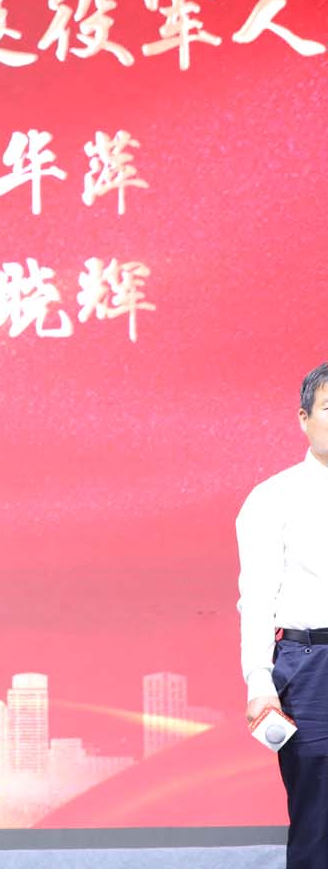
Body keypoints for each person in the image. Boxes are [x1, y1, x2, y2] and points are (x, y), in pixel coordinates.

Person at [237, 361, 328, 869]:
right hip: (311, 663)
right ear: (304, 418)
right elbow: (255, 596)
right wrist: (258, 680)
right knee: (318, 816)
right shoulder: (273, 498)